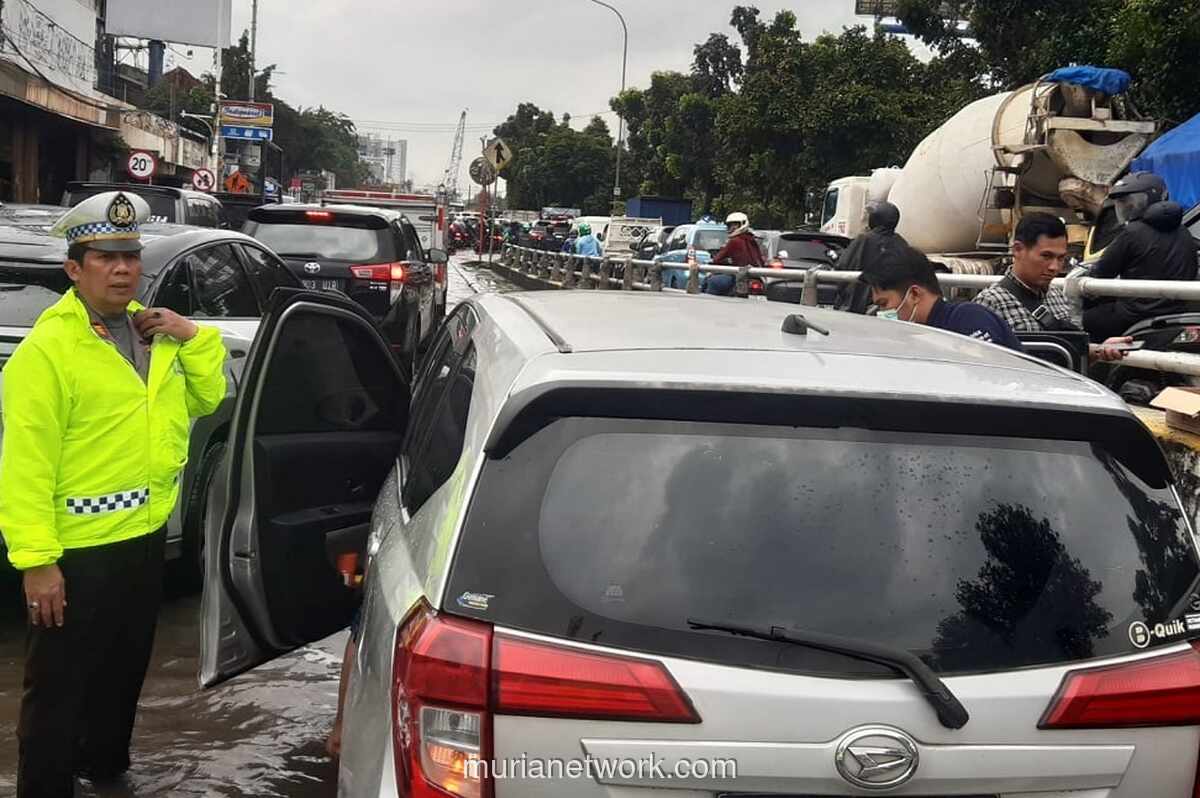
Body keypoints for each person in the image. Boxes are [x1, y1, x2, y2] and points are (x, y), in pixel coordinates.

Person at [0, 191, 228, 797]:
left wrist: (195, 336)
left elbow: (207, 401)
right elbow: (24, 467)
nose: (123, 268)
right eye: (105, 256)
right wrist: (38, 563)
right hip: (76, 554)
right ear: (75, 269)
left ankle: (105, 772)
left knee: (122, 674)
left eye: (130, 255)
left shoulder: (155, 335)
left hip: (143, 540)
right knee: (55, 689)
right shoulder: (46, 355)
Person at [973, 212, 1130, 363]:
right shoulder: (989, 304)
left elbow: (1072, 356)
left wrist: (1099, 351)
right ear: (1018, 250)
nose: (1055, 267)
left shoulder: (1058, 296)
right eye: (1046, 256)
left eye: (1061, 258)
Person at [1084, 171, 1200, 341]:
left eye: (1132, 203)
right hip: (1177, 311)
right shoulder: (1184, 232)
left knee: (1087, 320)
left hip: (1135, 314)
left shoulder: (1132, 233)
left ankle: (1086, 365)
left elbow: (1100, 273)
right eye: (1123, 204)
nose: (1128, 208)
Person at [864, 244, 1024, 351]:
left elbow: (986, 381)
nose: (881, 313)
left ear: (914, 294)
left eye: (884, 304)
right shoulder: (918, 336)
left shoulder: (969, 320)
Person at [836, 201, 908, 313]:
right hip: (892, 307)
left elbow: (842, 267)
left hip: (857, 306)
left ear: (875, 218)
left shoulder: (864, 240)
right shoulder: (901, 243)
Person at [707, 211, 764, 295]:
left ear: (742, 224)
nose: (731, 228)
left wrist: (725, 261)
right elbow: (760, 260)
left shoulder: (734, 241)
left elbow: (717, 259)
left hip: (736, 276)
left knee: (711, 282)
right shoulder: (752, 239)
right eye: (729, 225)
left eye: (734, 225)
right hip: (755, 276)